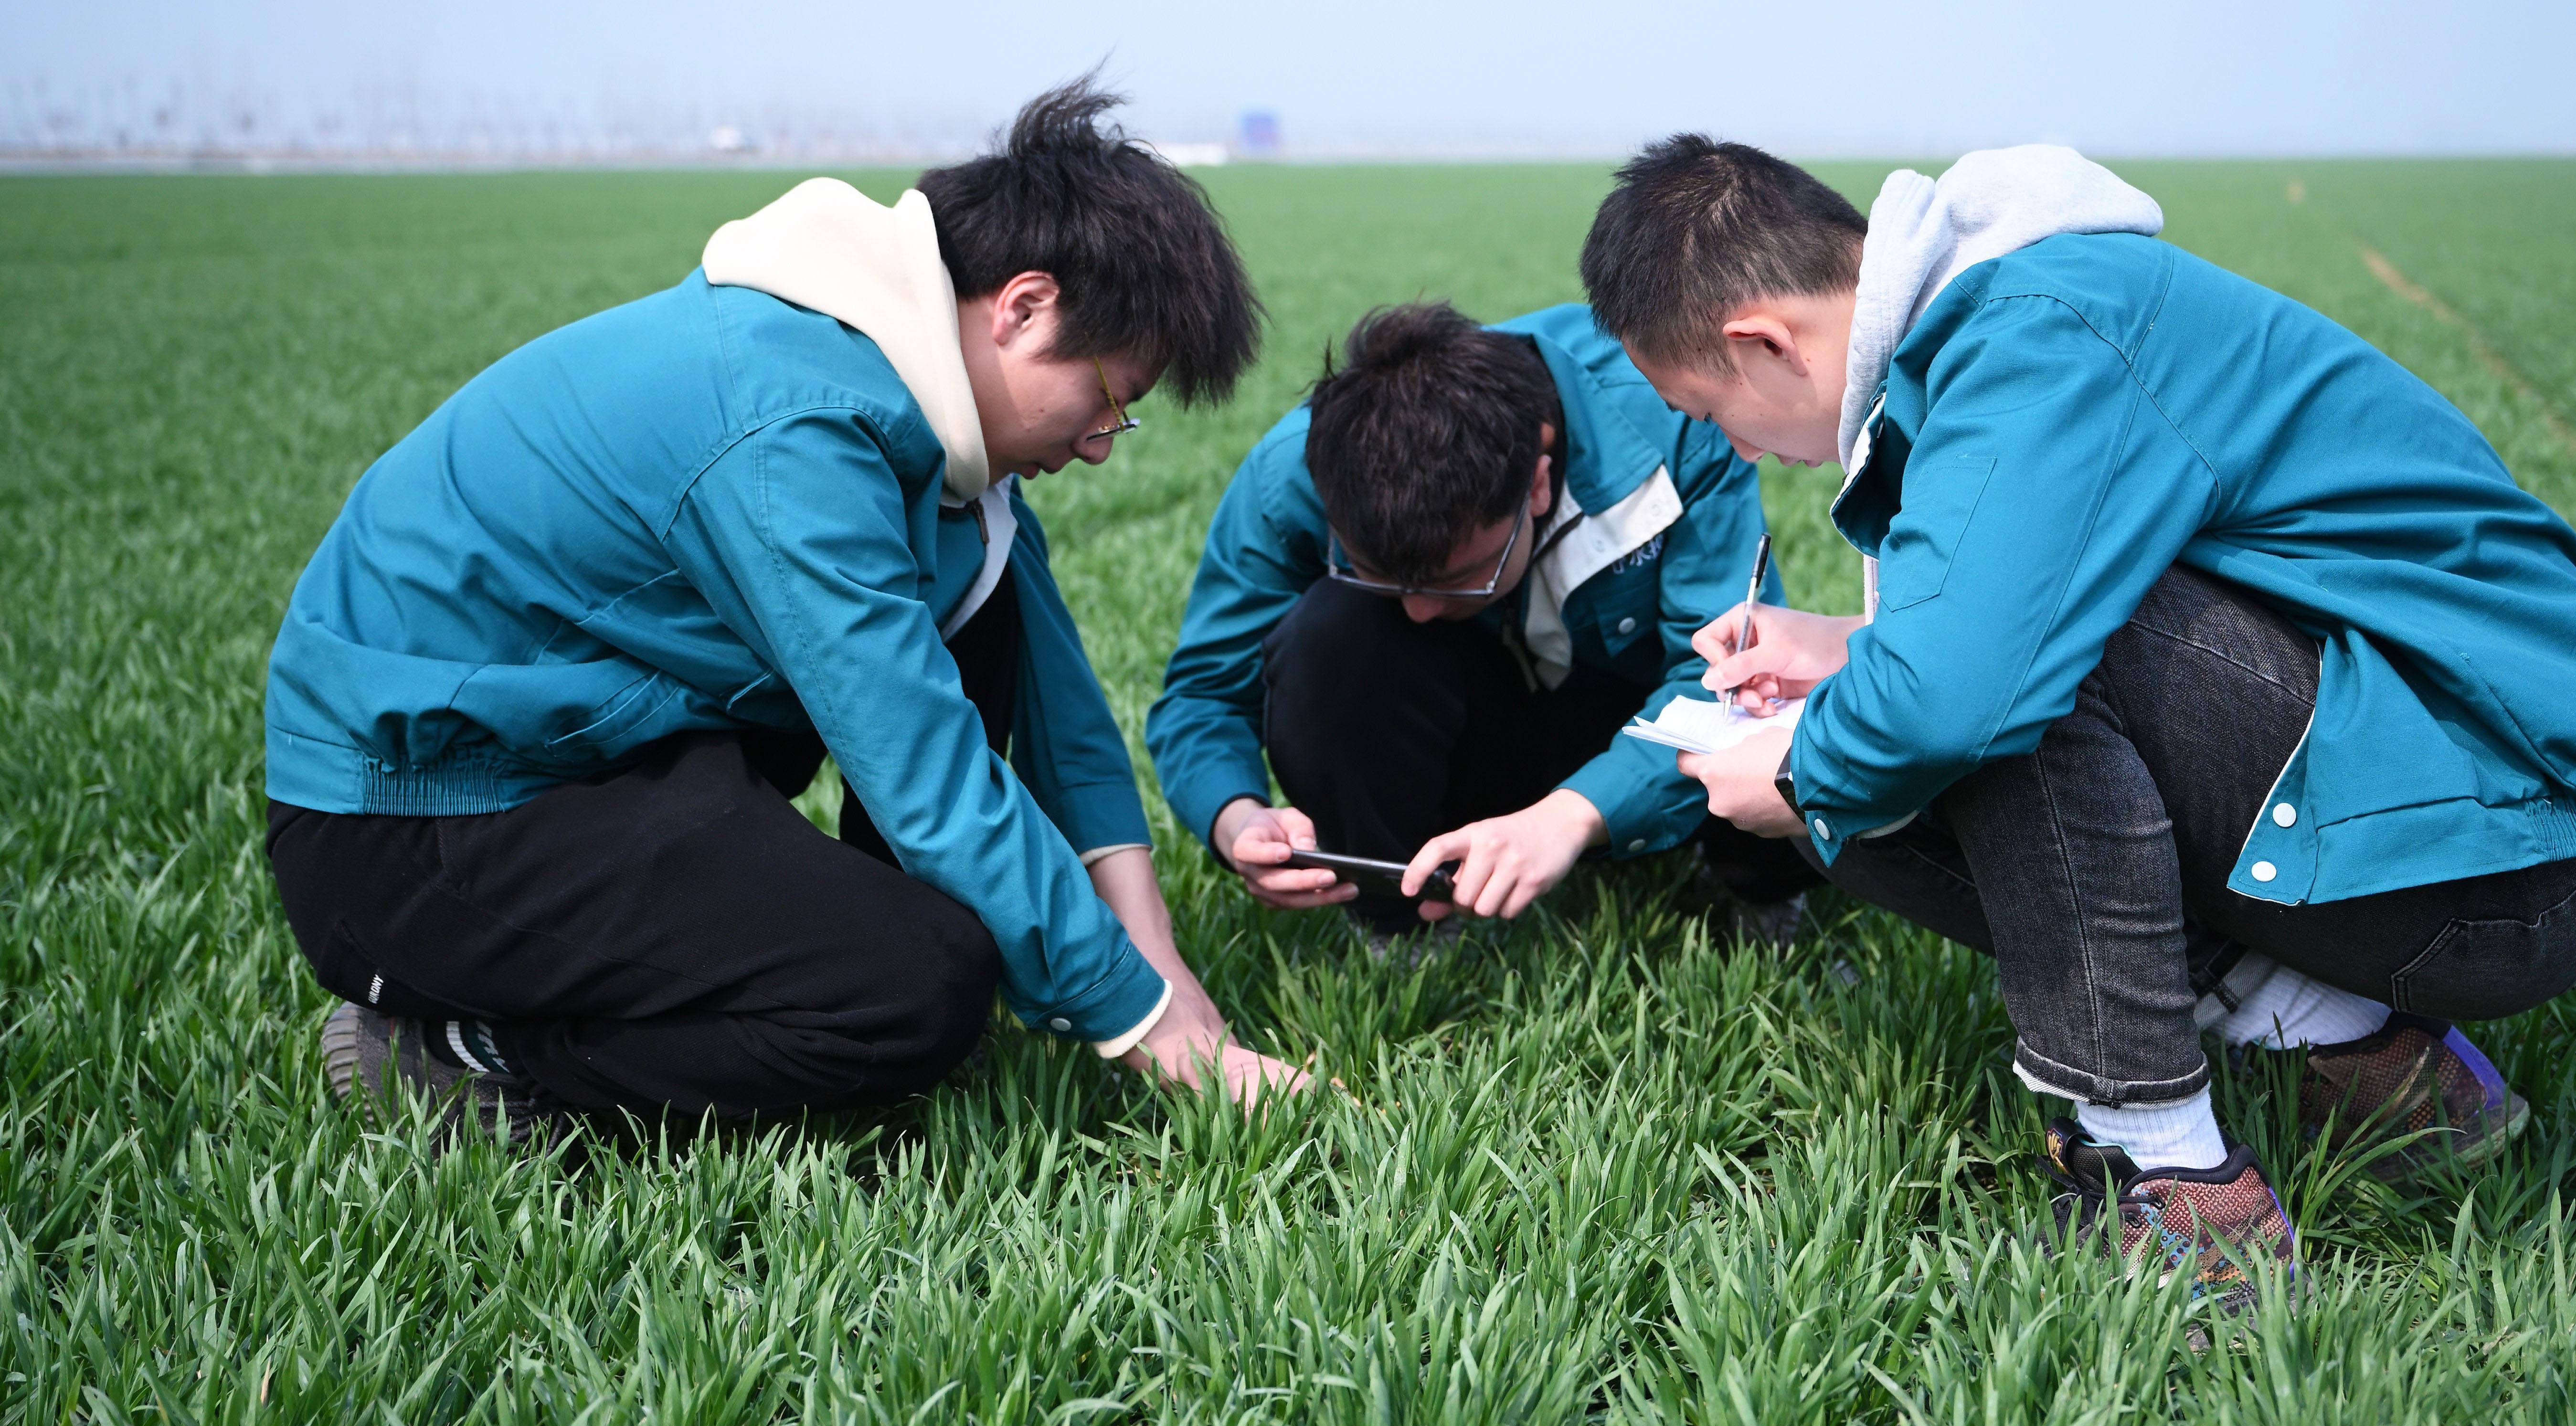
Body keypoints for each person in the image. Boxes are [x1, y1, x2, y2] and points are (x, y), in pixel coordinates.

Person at [1578, 136, 2576, 1317]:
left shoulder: (2036, 337)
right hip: (2458, 807)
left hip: (2514, 851)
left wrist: (1801, 770)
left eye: (1719, 414)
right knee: (1901, 751)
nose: (1743, 451)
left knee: (1974, 691)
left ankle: (2167, 1174)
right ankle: (2372, 1059)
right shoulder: (2005, 328)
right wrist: (1835, 658)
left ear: (1762, 342)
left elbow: (1979, 675)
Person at [263, 79, 1309, 1143]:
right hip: (415, 820)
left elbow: (1060, 711)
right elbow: (928, 777)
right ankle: (460, 1060)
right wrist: (1157, 1037)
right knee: (916, 990)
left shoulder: (925, 407)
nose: (1101, 440)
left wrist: (1161, 967)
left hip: (593, 763)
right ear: (1024, 306)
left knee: (982, 603)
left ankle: (848, 955)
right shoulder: (794, 426)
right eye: (1110, 398)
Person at [1146, 301, 1823, 950]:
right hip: (1465, 732)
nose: (1416, 611)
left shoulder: (1674, 414)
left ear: (1535, 481)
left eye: (1457, 577)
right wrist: (1236, 818)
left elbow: (1723, 679)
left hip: (1634, 727)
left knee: (1762, 683)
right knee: (1333, 637)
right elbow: (1205, 693)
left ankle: (1766, 896)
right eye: (1383, 578)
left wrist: (1570, 816)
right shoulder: (1291, 473)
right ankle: (1400, 919)